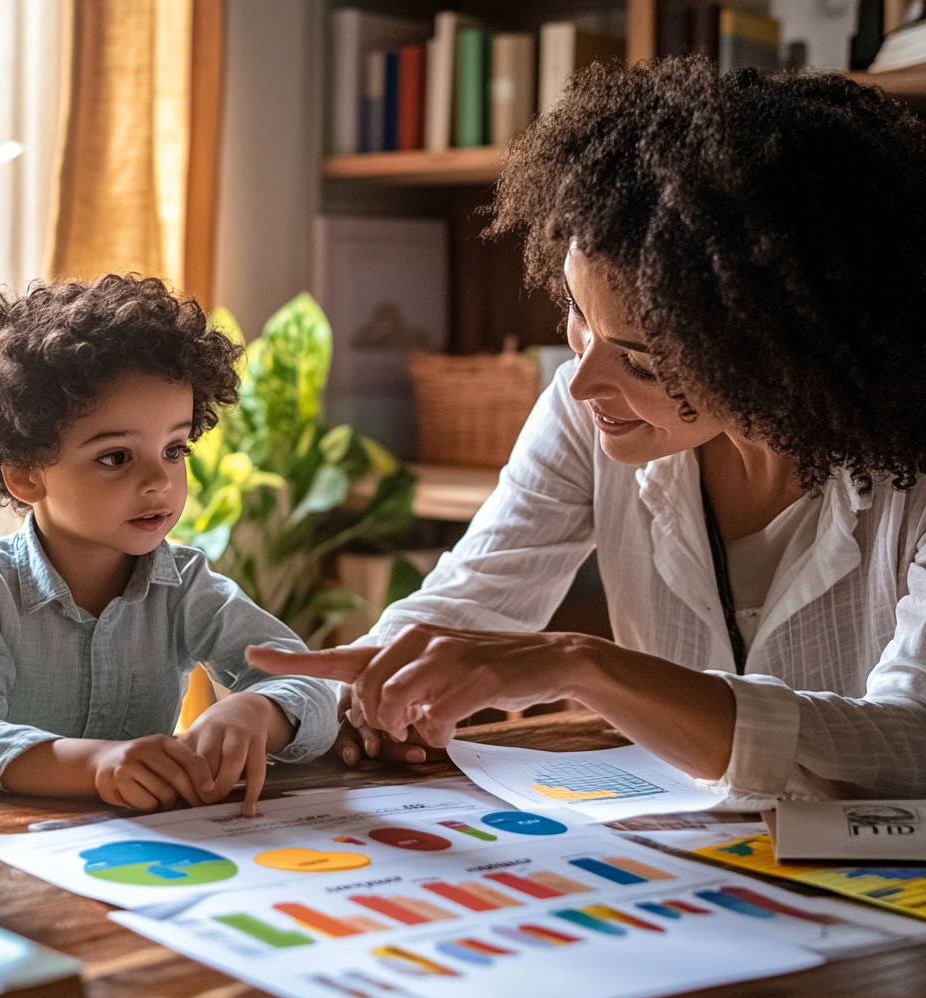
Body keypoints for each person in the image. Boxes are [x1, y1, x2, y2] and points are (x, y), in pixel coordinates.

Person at [249, 57, 926, 803]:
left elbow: (909, 742)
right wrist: (318, 706)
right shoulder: (590, 410)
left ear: (779, 348)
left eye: (638, 356)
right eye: (576, 313)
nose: (581, 381)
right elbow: (471, 599)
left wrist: (581, 663)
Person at [0, 275, 337, 815]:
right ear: (25, 476)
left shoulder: (185, 586)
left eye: (174, 449)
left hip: (145, 850)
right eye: (116, 457)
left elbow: (313, 683)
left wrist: (257, 710)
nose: (160, 481)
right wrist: (95, 765)